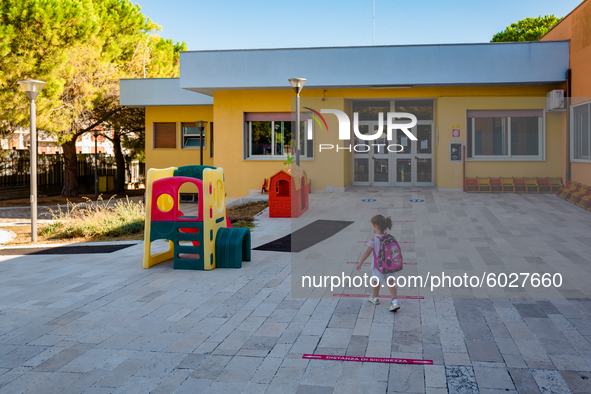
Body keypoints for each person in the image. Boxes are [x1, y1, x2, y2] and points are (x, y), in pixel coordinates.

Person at [356, 215, 400, 312]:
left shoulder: (374, 239)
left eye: (371, 225)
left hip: (378, 266)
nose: (371, 227)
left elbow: (367, 252)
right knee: (390, 282)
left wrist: (360, 262)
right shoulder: (389, 237)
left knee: (376, 281)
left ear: (376, 226)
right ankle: (394, 301)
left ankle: (375, 298)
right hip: (390, 265)